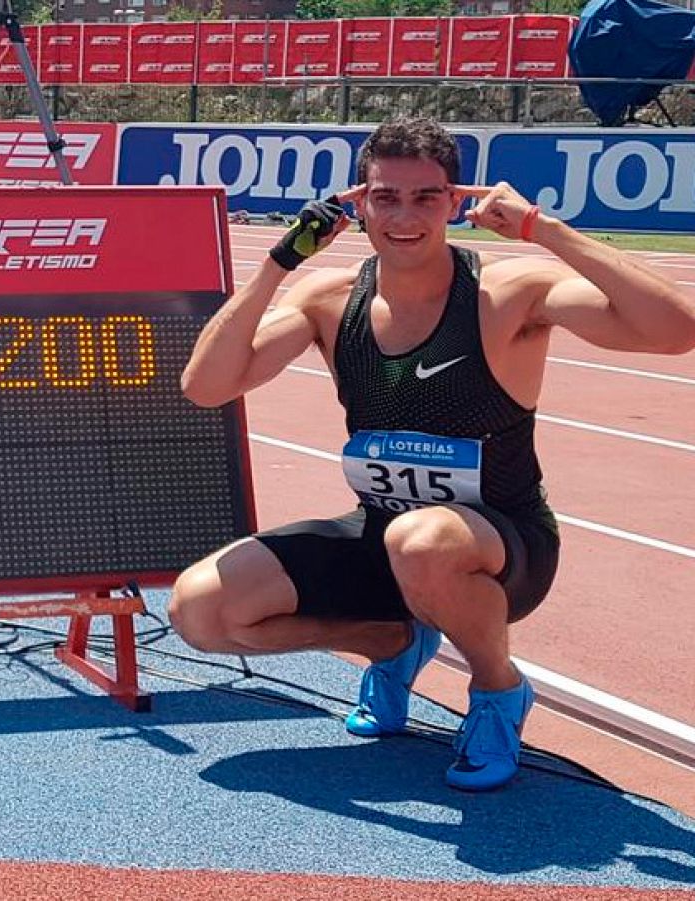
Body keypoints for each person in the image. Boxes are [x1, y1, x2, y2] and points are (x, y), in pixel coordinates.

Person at [169, 116, 695, 791]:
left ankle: (498, 691)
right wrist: (281, 263)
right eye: (386, 196)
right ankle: (388, 642)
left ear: (456, 202)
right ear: (358, 203)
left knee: (424, 541)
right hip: (383, 533)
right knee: (201, 610)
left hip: (504, 544)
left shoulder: (509, 294)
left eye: (426, 197)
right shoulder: (328, 300)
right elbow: (206, 385)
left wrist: (544, 229)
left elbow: (676, 331)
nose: (405, 215)